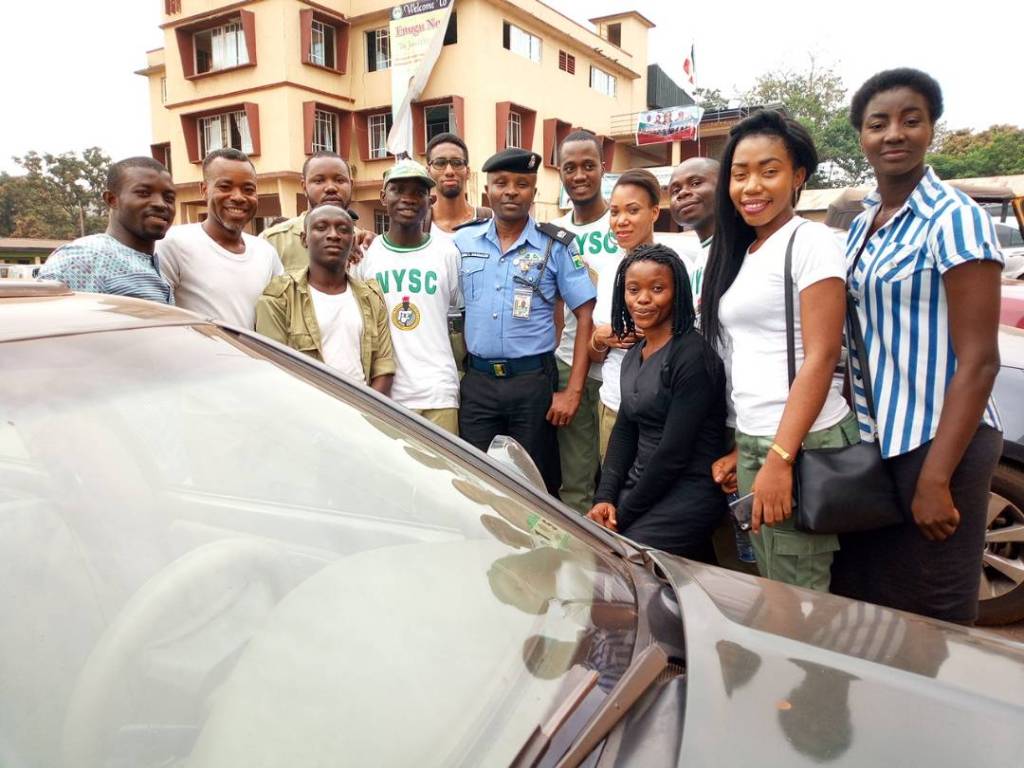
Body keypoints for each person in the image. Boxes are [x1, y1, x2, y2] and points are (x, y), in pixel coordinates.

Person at [830, 69, 1003, 624]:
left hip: (940, 440)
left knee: (935, 612)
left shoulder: (954, 219)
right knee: (870, 599)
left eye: (911, 120)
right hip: (877, 442)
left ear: (931, 130)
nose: (894, 134)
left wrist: (935, 477)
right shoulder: (861, 227)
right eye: (878, 124)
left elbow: (979, 359)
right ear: (862, 136)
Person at [700, 110, 856, 592]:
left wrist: (779, 458)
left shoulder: (810, 242)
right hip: (759, 439)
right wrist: (743, 447)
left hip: (802, 444)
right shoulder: (744, 250)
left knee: (799, 593)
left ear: (797, 177)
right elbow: (755, 354)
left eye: (769, 172)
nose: (752, 187)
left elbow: (822, 355)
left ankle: (813, 671)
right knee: (773, 581)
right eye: (740, 174)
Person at [454, 148, 596, 495]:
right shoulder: (461, 242)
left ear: (534, 192)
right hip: (478, 383)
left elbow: (585, 314)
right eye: (501, 183)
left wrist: (573, 391)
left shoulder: (556, 245)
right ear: (487, 190)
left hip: (532, 384)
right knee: (476, 481)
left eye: (522, 184)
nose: (511, 191)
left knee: (533, 485)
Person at [587, 244, 728, 562]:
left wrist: (623, 513)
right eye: (633, 289)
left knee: (621, 558)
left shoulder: (691, 356)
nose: (643, 299)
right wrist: (605, 497)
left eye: (658, 288)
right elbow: (625, 431)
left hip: (688, 490)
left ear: (677, 293)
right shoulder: (634, 354)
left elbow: (674, 454)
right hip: (643, 485)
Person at [351, 159, 461, 432]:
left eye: (418, 192)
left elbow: (460, 314)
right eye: (398, 190)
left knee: (442, 474)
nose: (408, 199)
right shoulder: (365, 254)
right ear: (383, 196)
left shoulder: (447, 252)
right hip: (384, 393)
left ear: (430, 199)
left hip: (438, 392)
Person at [550, 130, 624, 513]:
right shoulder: (552, 232)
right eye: (570, 167)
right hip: (569, 365)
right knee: (576, 483)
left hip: (622, 369)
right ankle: (580, 569)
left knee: (619, 481)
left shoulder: (624, 220)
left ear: (603, 167)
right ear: (559, 171)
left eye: (588, 166)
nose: (579, 175)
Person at [255, 204, 395, 395]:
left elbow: (384, 369)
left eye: (343, 229)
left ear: (352, 240)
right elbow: (275, 369)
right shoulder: (280, 297)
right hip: (307, 414)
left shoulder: (371, 296)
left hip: (363, 414)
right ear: (304, 239)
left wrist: (364, 415)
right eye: (321, 228)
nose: (333, 235)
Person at [157, 148, 283, 328]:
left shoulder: (266, 252)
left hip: (252, 356)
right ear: (204, 189)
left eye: (248, 189)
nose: (238, 197)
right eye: (225, 187)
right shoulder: (174, 244)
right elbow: (157, 318)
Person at [588, 170, 660, 459]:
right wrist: (600, 337)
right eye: (615, 212)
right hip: (613, 404)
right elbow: (596, 352)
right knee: (611, 495)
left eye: (633, 210)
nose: (621, 220)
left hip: (657, 412)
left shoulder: (671, 266)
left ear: (654, 212)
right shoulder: (608, 270)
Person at [39, 157, 175, 303]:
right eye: (143, 193)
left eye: (169, 198)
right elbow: (44, 318)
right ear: (111, 199)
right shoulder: (83, 257)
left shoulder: (151, 265)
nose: (161, 204)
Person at [261, 150, 374, 271]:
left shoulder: (365, 244)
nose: (331, 188)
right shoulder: (273, 241)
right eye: (319, 181)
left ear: (351, 185)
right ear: (304, 187)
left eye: (340, 180)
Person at [668, 157, 719, 314]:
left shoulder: (740, 250)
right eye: (675, 191)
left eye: (695, 183)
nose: (683, 193)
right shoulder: (699, 260)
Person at [424, 132, 492, 237]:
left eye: (457, 163)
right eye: (440, 163)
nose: (449, 171)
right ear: (428, 172)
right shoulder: (417, 225)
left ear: (468, 172)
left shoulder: (490, 221)